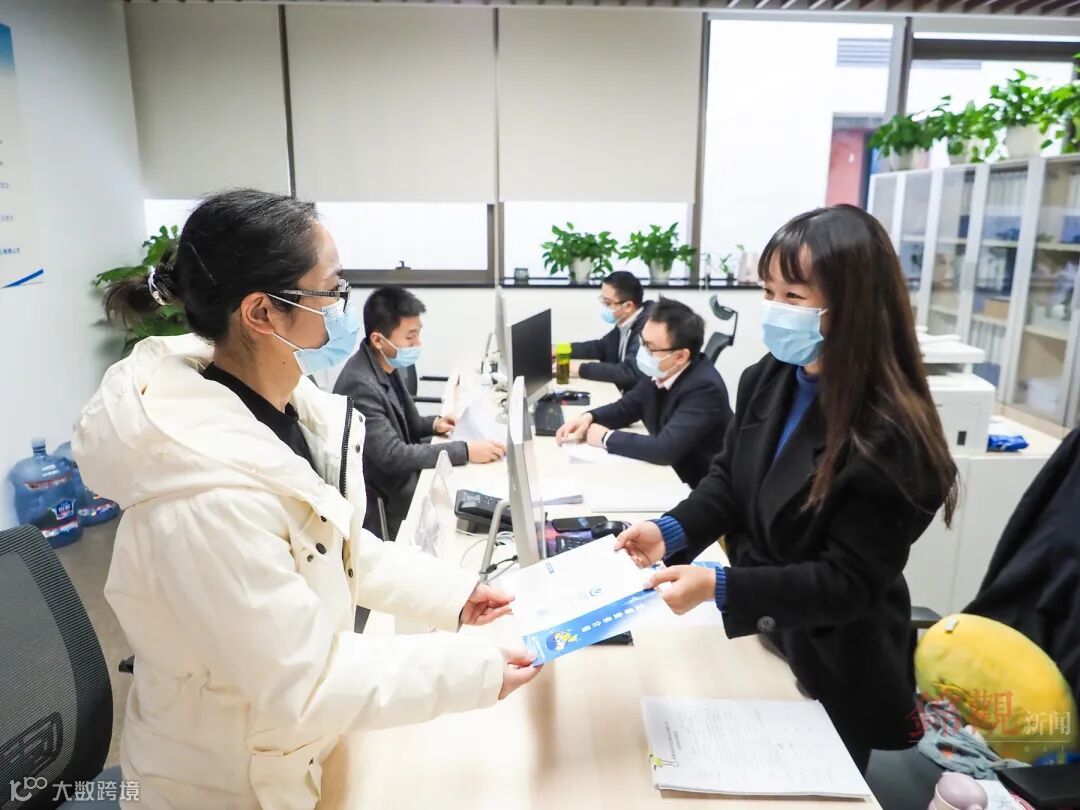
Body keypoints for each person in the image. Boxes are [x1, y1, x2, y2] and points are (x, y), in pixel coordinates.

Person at [74, 190, 539, 809]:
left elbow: (336, 546)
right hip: (228, 782)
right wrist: (476, 668)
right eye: (331, 290)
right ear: (263, 312)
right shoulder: (204, 495)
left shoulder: (282, 408)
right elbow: (307, 681)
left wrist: (454, 595)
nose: (342, 309)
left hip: (291, 748)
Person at [615, 205, 959, 773]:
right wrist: (670, 531)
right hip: (767, 629)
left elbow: (845, 582)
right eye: (768, 292)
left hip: (834, 656)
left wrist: (720, 586)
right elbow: (730, 480)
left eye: (793, 297)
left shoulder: (889, 431)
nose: (774, 310)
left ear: (853, 306)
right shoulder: (770, 376)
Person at [333, 287, 506, 541]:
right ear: (378, 340)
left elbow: (407, 423)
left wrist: (434, 424)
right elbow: (392, 455)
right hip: (385, 501)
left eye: (418, 333)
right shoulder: (360, 385)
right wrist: (466, 451)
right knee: (462, 521)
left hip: (405, 479)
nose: (418, 344)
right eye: (410, 337)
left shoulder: (384, 364)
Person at [554, 298, 732, 487]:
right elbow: (627, 408)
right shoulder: (661, 371)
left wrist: (606, 438)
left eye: (650, 347)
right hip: (671, 476)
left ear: (680, 356)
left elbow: (664, 449)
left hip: (702, 487)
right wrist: (589, 417)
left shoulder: (704, 389)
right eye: (641, 342)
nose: (642, 352)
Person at [566, 270, 654, 392]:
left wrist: (579, 368)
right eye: (602, 300)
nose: (604, 307)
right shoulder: (625, 323)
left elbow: (629, 372)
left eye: (607, 303)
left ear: (628, 306)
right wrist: (559, 349)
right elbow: (599, 348)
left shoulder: (648, 329)